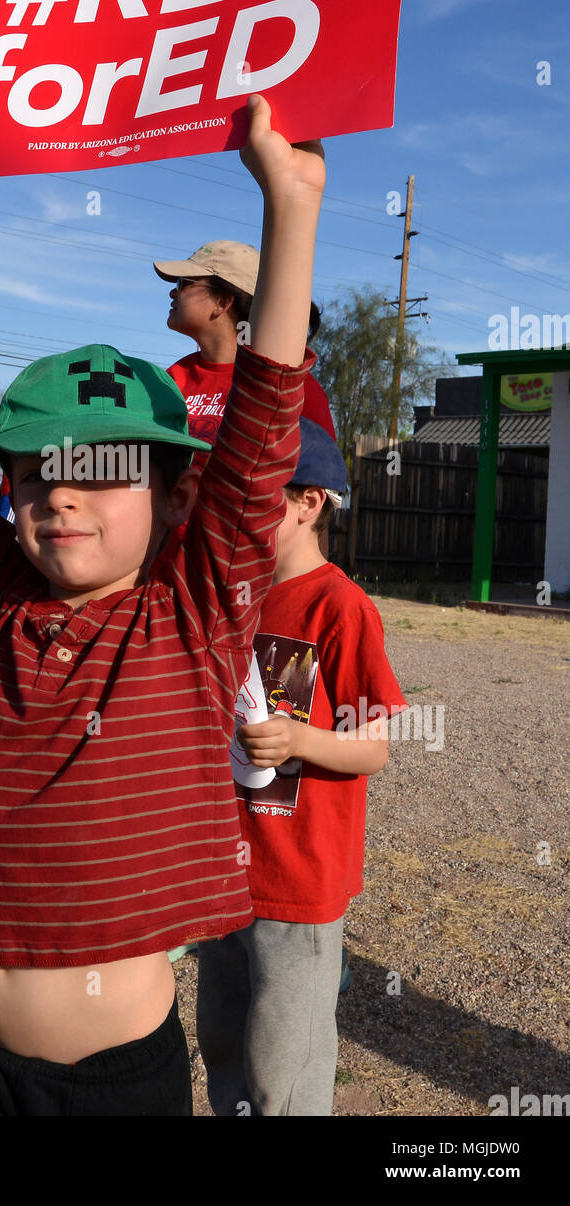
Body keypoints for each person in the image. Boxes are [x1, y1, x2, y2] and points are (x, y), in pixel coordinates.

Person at [0, 93, 325, 1116]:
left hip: (114, 1084)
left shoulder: (196, 610)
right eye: (38, 471)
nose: (63, 491)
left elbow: (265, 423)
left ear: (177, 494)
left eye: (102, 468)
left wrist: (289, 207)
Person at [195, 417, 407, 1116]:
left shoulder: (340, 607)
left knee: (281, 1061)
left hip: (299, 880)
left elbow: (372, 746)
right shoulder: (234, 598)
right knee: (221, 1038)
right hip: (226, 871)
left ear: (306, 502)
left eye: (248, 496)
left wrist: (298, 741)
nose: (227, 511)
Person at [158, 240, 335, 463]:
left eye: (184, 283)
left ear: (221, 302)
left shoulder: (295, 389)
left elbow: (320, 481)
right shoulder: (172, 378)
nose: (173, 293)